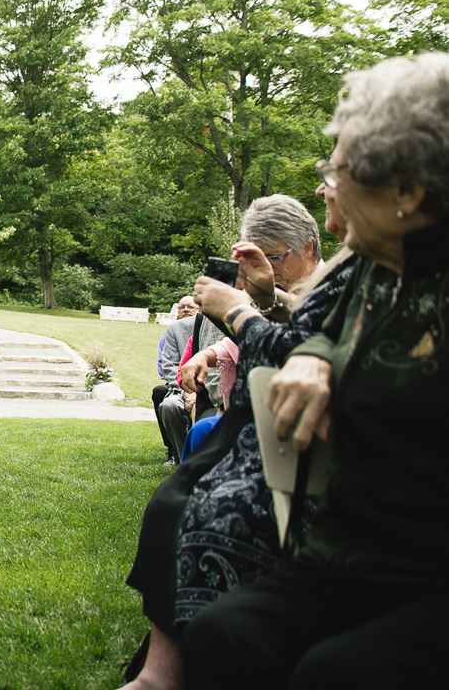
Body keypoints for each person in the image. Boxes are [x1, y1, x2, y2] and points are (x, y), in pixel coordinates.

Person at [181, 53, 449, 690]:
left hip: (427, 572)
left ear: (406, 192)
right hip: (349, 554)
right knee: (225, 635)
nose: (327, 182)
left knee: (335, 670)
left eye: (340, 167)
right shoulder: (377, 271)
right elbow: (321, 333)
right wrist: (313, 358)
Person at [120, 192, 340, 689]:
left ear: (308, 248)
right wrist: (253, 308)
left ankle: (165, 670)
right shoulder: (349, 273)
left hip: (299, 442)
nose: (325, 188)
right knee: (175, 496)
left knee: (196, 498)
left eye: (277, 258)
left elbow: (302, 340)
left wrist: (243, 312)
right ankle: (160, 666)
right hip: (259, 424)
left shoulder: (349, 276)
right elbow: (296, 322)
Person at [154, 296, 201, 465]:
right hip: (180, 385)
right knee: (166, 402)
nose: (186, 310)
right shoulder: (173, 332)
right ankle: (181, 458)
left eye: (190, 306)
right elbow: (167, 366)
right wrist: (186, 391)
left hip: (207, 387)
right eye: (182, 307)